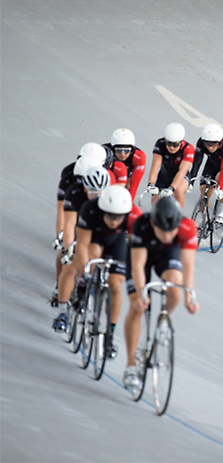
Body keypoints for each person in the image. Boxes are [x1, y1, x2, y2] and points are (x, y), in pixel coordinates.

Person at [122, 196, 199, 391]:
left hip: (167, 254)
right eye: (162, 231)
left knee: (176, 289)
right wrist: (141, 294)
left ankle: (162, 321)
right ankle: (131, 364)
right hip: (142, 256)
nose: (167, 235)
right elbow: (138, 266)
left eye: (171, 231)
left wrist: (189, 297)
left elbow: (188, 265)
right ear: (153, 223)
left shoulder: (187, 228)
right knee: (136, 306)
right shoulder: (142, 225)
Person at [75, 185, 141, 357]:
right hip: (95, 237)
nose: (114, 221)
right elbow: (81, 245)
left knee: (116, 285)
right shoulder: (90, 209)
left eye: (118, 217)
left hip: (117, 242)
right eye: (110, 216)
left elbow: (138, 251)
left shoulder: (134, 215)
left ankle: (109, 335)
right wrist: (84, 273)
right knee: (92, 254)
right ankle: (82, 287)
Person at [52, 164, 111, 332]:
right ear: (85, 187)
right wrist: (68, 248)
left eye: (99, 194)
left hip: (99, 231)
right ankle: (62, 312)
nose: (95, 197)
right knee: (70, 266)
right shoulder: (75, 193)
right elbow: (69, 223)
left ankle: (90, 284)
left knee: (96, 256)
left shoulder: (110, 196)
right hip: (81, 228)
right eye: (92, 192)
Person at [190, 123, 223, 223]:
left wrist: (220, 187)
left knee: (219, 180)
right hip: (213, 163)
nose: (210, 148)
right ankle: (204, 219)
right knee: (203, 189)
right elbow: (197, 162)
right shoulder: (201, 143)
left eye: (213, 145)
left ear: (219, 142)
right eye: (207, 144)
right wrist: (191, 181)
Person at [146, 122, 195, 207]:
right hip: (165, 174)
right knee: (155, 197)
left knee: (178, 191)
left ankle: (178, 218)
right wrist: (151, 184)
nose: (171, 147)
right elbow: (155, 165)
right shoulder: (160, 144)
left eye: (175, 145)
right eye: (168, 143)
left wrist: (172, 188)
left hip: (181, 176)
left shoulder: (188, 149)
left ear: (181, 142)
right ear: (165, 140)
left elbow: (182, 171)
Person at [104, 128, 147, 201]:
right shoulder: (104, 153)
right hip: (111, 171)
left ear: (132, 150)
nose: (123, 154)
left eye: (126, 151)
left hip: (127, 171)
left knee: (128, 190)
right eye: (119, 150)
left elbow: (134, 184)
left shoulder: (139, 157)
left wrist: (128, 203)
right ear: (113, 149)